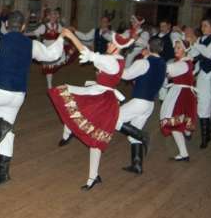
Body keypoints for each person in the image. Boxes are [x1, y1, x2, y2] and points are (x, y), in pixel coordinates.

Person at [0, 11, 66, 186]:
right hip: (18, 96)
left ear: (6, 25)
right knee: (6, 134)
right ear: (23, 27)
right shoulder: (33, 45)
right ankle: (3, 173)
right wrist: (61, 39)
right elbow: (52, 56)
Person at [50, 29, 149, 191]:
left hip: (101, 100)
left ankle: (92, 176)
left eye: (111, 43)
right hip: (100, 95)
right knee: (66, 94)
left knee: (95, 139)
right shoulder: (117, 60)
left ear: (116, 48)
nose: (108, 44)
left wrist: (70, 35)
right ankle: (69, 133)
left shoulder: (111, 61)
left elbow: (85, 51)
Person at [116, 37, 166, 175]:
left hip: (139, 102)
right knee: (132, 136)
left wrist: (117, 60)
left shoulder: (144, 62)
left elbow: (125, 75)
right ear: (161, 49)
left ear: (148, 47)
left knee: (113, 118)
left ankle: (143, 136)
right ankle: (137, 165)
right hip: (150, 104)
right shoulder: (163, 63)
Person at [187, 17, 211, 149]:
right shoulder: (200, 40)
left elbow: (209, 54)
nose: (203, 28)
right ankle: (205, 136)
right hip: (204, 72)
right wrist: (189, 44)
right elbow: (193, 55)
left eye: (205, 25)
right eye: (202, 25)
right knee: (203, 102)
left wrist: (195, 43)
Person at [160, 40, 197, 161]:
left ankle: (184, 151)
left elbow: (167, 69)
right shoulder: (183, 63)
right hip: (182, 95)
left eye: (179, 48)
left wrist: (153, 61)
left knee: (174, 125)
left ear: (185, 50)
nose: (176, 50)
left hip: (181, 96)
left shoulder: (182, 64)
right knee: (176, 125)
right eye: (175, 47)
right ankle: (184, 148)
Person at [29, 9, 74, 89]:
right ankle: (49, 85)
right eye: (52, 15)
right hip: (48, 48)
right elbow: (35, 33)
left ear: (57, 17)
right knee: (49, 66)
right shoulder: (44, 26)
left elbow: (64, 31)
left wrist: (70, 29)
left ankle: (54, 70)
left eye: (55, 15)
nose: (53, 16)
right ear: (48, 16)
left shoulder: (58, 26)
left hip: (56, 48)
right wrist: (24, 33)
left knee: (60, 59)